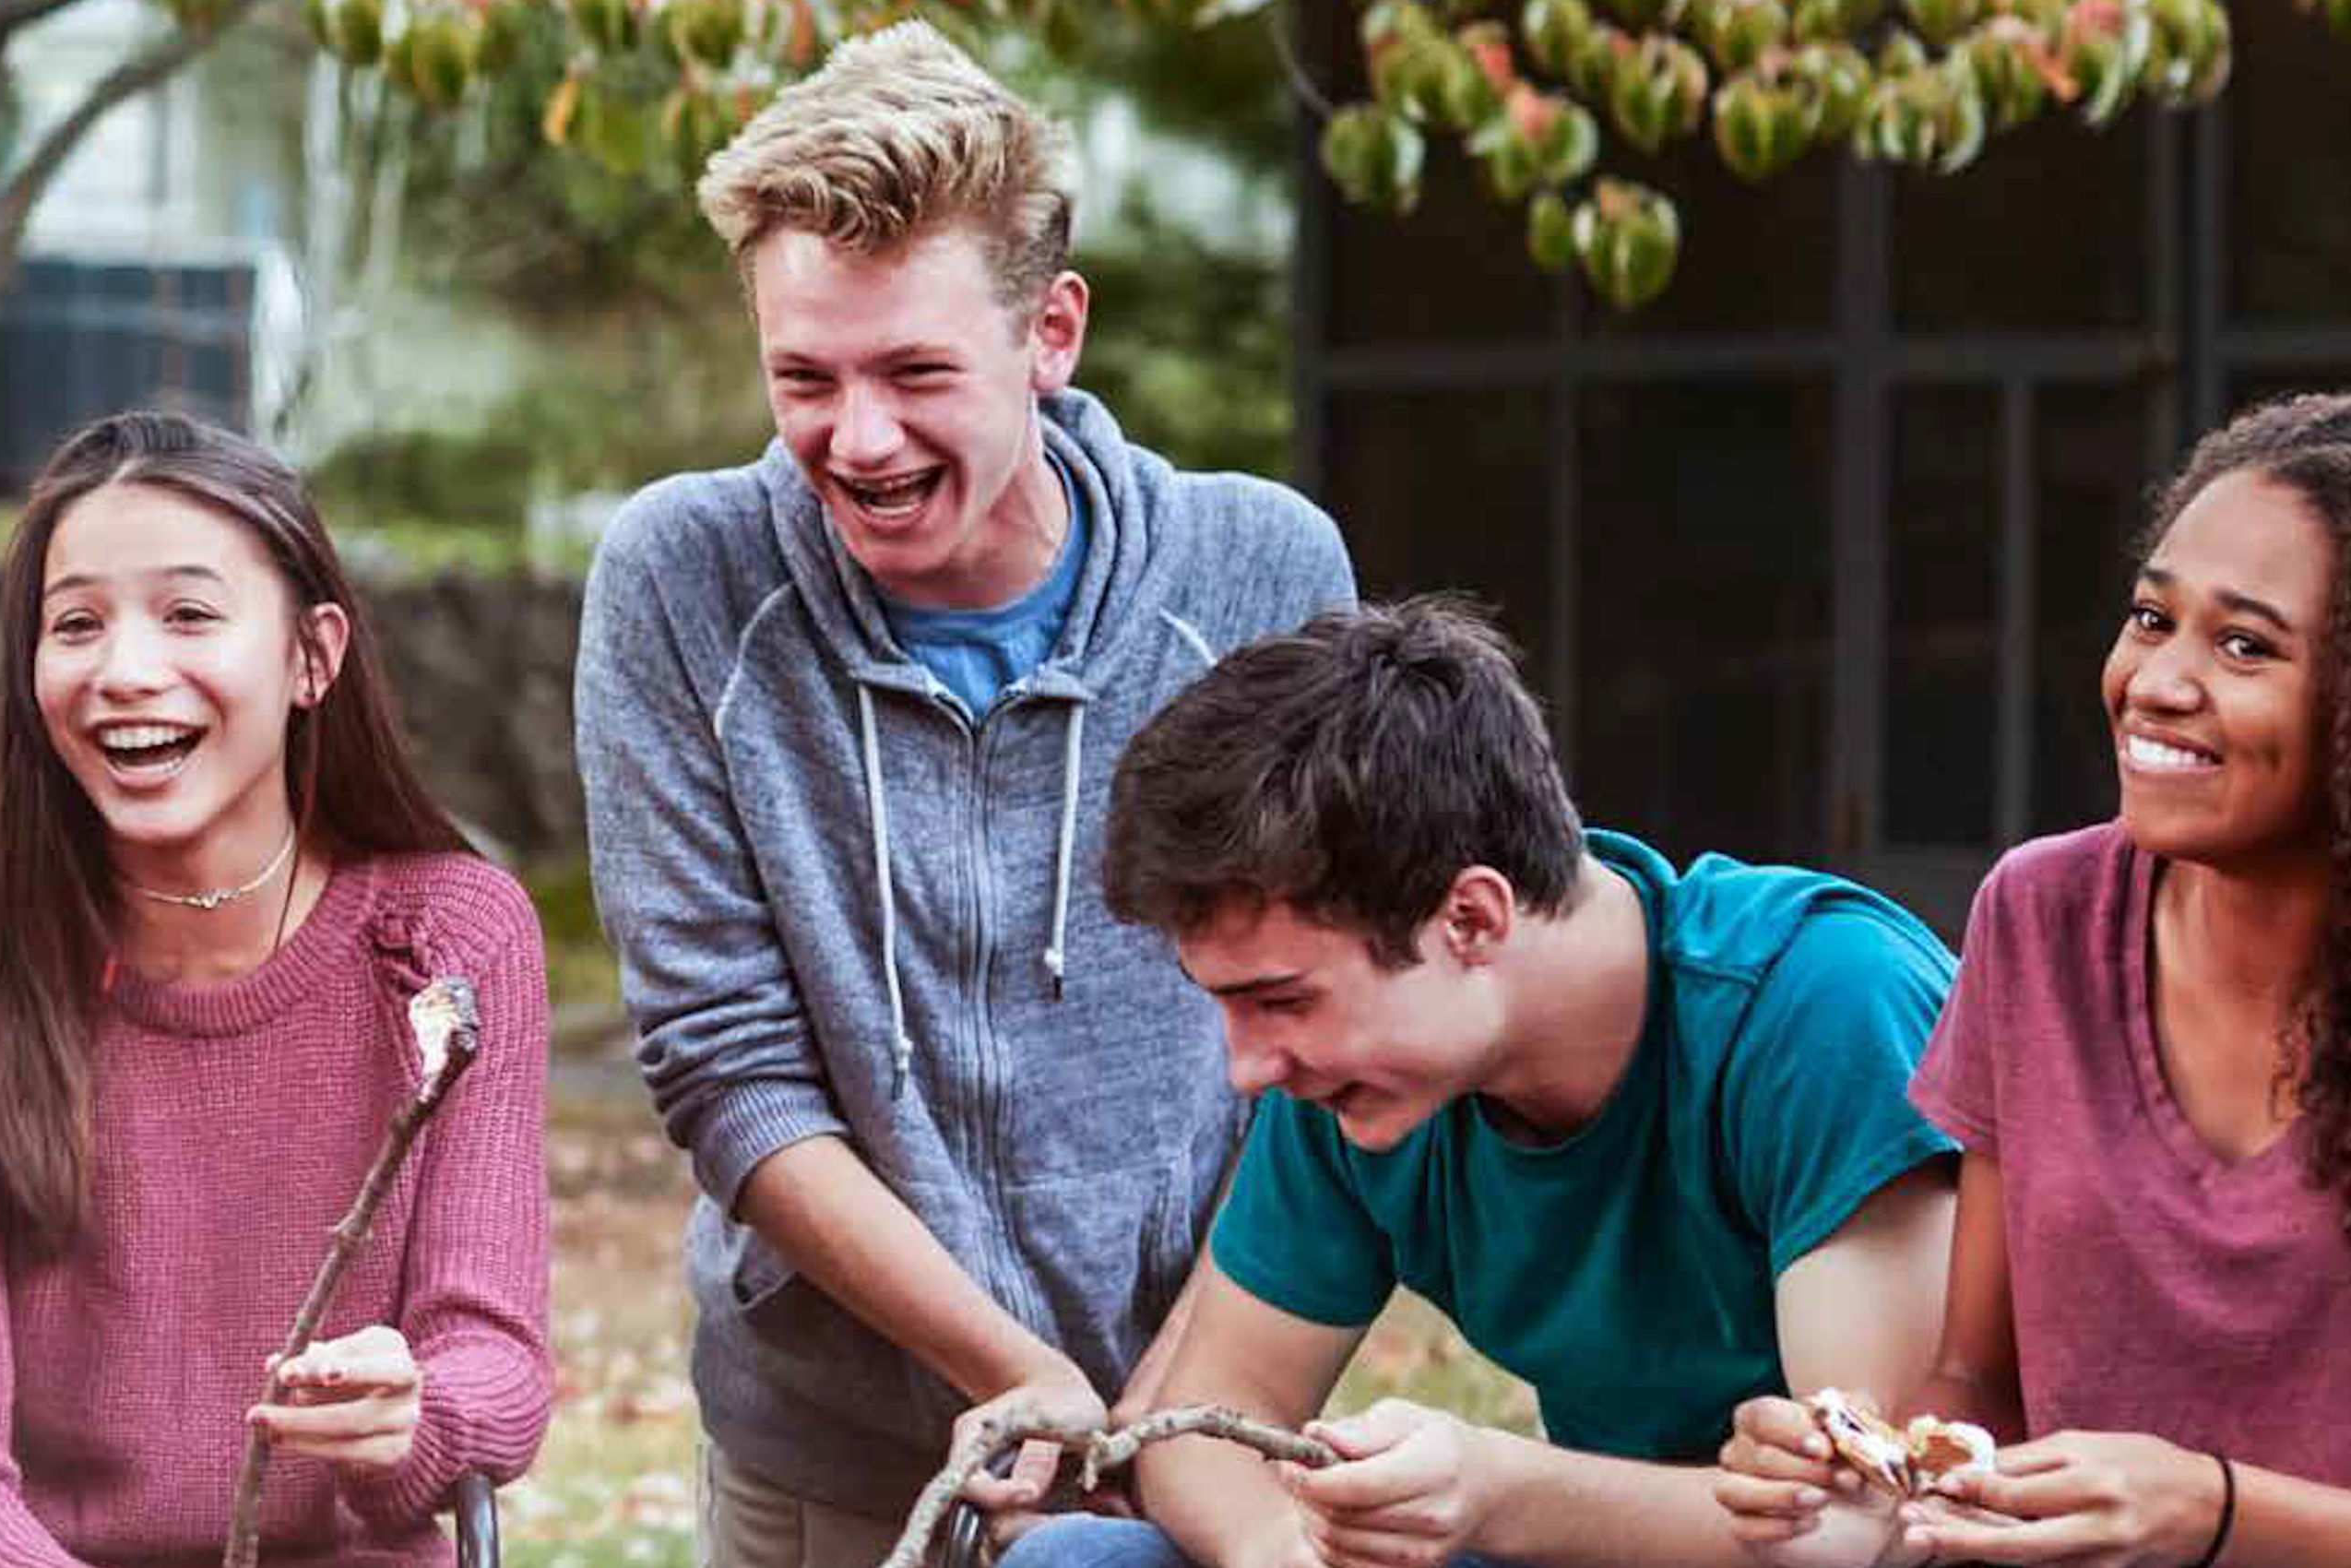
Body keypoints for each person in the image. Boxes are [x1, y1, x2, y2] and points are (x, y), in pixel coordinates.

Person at [569, 19, 1356, 1566]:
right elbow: (724, 1064)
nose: (856, 441)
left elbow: (1322, 1042)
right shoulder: (682, 583)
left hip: (1192, 1440)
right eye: (805, 376)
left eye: (916, 371)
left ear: (1051, 331)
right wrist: (1015, 1374)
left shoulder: (1263, 573)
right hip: (833, 1461)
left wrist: (1167, 1416)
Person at [996, 597, 1960, 1568]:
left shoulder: (1822, 1004)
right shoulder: (1359, 1080)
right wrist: (1278, 1550)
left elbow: (1871, 1524)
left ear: (1469, 917)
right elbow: (1203, 1424)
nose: (1248, 1065)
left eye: (1280, 999)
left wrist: (1495, 1489)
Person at [1716, 391, 2351, 1568]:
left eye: (2245, 644)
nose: (2156, 680)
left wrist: (2215, 1512)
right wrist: (1883, 1469)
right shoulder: (2040, 918)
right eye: (2151, 616)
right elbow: (1980, 1374)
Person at [0, 410, 552, 1568]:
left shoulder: (448, 940)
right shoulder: (5, 955)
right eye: (76, 624)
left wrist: (415, 1411)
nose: (126, 670)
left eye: (190, 613)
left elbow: (493, 1359)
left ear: (313, 654)